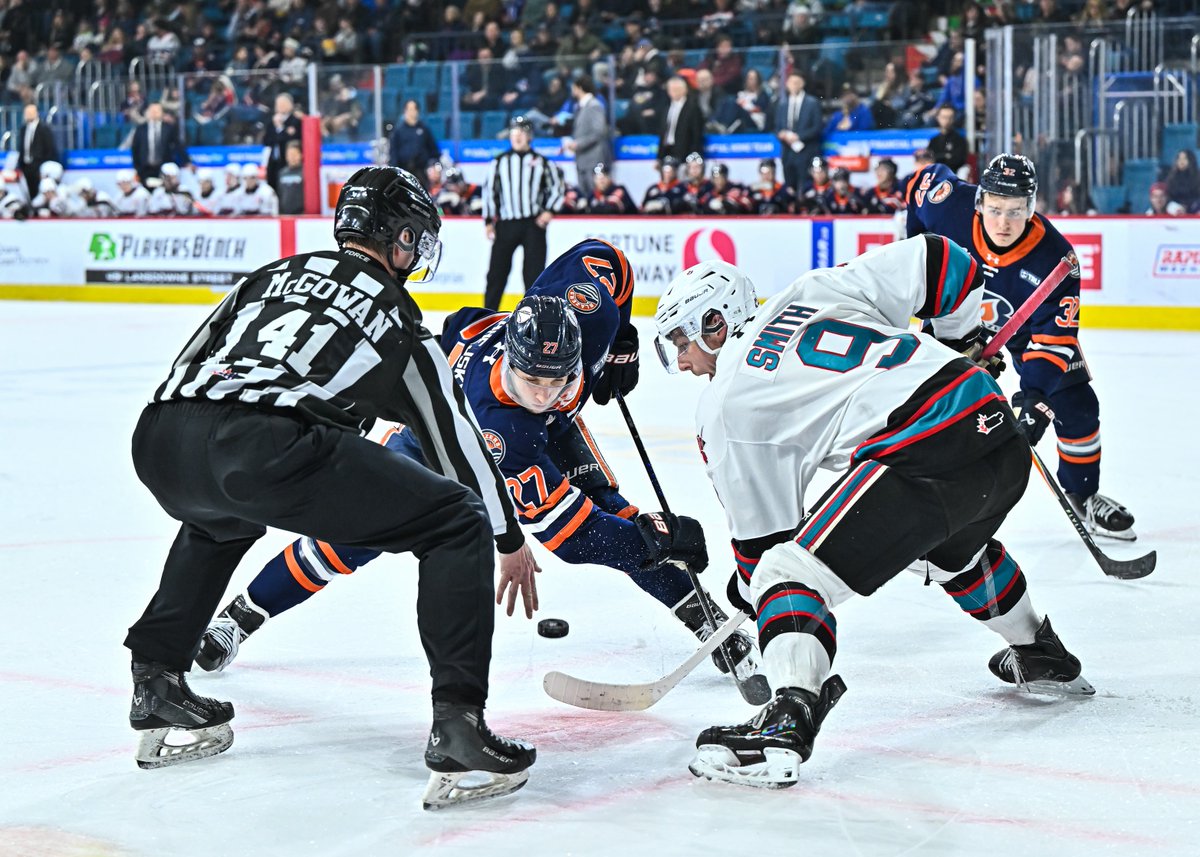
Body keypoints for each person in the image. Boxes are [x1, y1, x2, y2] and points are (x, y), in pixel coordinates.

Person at [123, 165, 536, 809]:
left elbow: (196, 357)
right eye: (415, 239)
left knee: (220, 518)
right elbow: (453, 444)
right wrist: (507, 536)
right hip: (266, 445)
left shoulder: (270, 274)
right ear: (401, 237)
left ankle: (156, 679)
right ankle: (459, 724)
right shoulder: (397, 315)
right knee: (456, 520)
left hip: (161, 435)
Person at [196, 242, 764, 693]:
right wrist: (653, 541)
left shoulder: (581, 313)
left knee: (617, 506)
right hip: (437, 444)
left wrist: (619, 336)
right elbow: (576, 540)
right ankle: (239, 617)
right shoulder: (504, 432)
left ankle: (707, 621)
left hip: (541, 429)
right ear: (511, 362)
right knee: (346, 541)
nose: (544, 394)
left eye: (560, 381)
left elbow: (606, 259)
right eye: (531, 381)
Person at [652, 238, 1092, 789]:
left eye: (681, 342)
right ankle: (1040, 651)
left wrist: (751, 591)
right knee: (947, 553)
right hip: (997, 435)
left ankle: (787, 721)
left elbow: (765, 549)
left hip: (922, 449)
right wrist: (959, 340)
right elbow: (944, 261)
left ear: (714, 323)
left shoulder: (725, 404)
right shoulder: (810, 291)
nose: (683, 362)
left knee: (784, 573)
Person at [906, 153, 1136, 539]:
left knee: (1077, 405)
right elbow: (918, 183)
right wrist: (916, 250)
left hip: (1025, 330)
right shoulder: (948, 205)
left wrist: (1035, 397)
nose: (1003, 223)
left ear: (1031, 207)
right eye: (995, 209)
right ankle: (916, 493)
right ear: (979, 201)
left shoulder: (1057, 261)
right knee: (930, 403)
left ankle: (1083, 496)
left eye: (1015, 211)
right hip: (954, 319)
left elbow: (1054, 340)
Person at [482, 116, 565, 311]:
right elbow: (489, 191)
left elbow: (557, 187)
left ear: (529, 136)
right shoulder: (499, 162)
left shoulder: (542, 162)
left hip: (533, 224)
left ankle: (535, 314)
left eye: (522, 132)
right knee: (496, 274)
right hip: (506, 224)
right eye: (514, 132)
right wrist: (488, 220)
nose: (517, 136)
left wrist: (550, 211)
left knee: (534, 275)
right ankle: (487, 316)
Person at [773, 71, 823, 195]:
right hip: (788, 152)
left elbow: (817, 127)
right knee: (790, 188)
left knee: (805, 188)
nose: (793, 85)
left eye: (796, 82)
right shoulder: (782, 104)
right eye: (791, 82)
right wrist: (781, 134)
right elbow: (777, 127)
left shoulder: (812, 103)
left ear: (802, 84)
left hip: (806, 151)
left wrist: (799, 136)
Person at [564, 75, 611, 199]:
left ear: (579, 88)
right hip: (582, 160)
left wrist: (578, 144)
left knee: (596, 197)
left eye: (573, 87)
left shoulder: (594, 105)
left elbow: (599, 132)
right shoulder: (580, 107)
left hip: (594, 159)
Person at [132, 102, 189, 184]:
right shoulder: (141, 129)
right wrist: (137, 168)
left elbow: (178, 146)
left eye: (157, 110)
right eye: (152, 110)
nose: (154, 113)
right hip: (145, 169)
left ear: (162, 113)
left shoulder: (169, 128)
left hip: (164, 168)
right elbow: (135, 149)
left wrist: (187, 162)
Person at [389, 99, 441, 184]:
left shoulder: (424, 129)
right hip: (403, 171)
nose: (411, 112)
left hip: (422, 172)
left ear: (417, 111)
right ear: (405, 111)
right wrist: (394, 172)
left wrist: (433, 165)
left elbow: (434, 150)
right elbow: (393, 152)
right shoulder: (398, 130)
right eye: (409, 109)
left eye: (413, 109)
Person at [657, 75, 705, 164]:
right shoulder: (666, 107)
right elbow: (663, 133)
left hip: (685, 152)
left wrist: (693, 156)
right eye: (671, 89)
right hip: (667, 150)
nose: (673, 92)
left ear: (685, 90)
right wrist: (659, 158)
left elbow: (696, 134)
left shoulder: (692, 108)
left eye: (676, 89)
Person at [16, 104, 59, 201]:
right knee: (29, 193)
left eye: (31, 112)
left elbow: (49, 149)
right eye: (27, 112)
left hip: (40, 166)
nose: (28, 115)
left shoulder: (44, 129)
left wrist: (44, 167)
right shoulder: (23, 129)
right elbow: (22, 148)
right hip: (26, 166)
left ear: (36, 113)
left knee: (40, 192)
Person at [263, 93, 303, 192]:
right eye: (278, 104)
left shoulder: (295, 121)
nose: (280, 107)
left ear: (290, 105)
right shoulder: (272, 122)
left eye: (283, 104)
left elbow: (291, 140)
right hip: (273, 161)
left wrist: (280, 128)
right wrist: (280, 130)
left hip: (287, 161)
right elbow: (266, 141)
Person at [927, 105, 968, 174]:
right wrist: (946, 156)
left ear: (954, 119)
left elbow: (958, 161)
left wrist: (939, 157)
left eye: (950, 117)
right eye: (944, 117)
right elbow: (930, 160)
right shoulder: (933, 140)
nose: (947, 120)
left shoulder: (959, 140)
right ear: (938, 118)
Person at [276, 143, 305, 215]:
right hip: (285, 214)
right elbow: (280, 193)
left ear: (301, 155)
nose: (292, 157)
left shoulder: (305, 172)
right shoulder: (282, 173)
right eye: (290, 155)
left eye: (294, 154)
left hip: (301, 214)